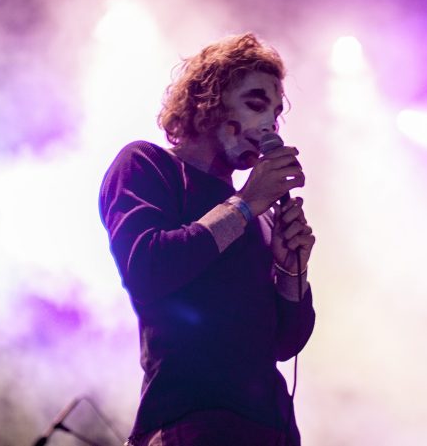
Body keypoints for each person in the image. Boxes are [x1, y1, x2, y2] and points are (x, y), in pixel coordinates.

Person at [99, 33, 316, 446]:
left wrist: (292, 271)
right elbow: (147, 269)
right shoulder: (147, 164)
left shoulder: (257, 213)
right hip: (189, 422)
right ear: (207, 101)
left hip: (271, 430)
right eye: (255, 104)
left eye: (275, 114)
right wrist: (246, 204)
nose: (270, 126)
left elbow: (286, 343)